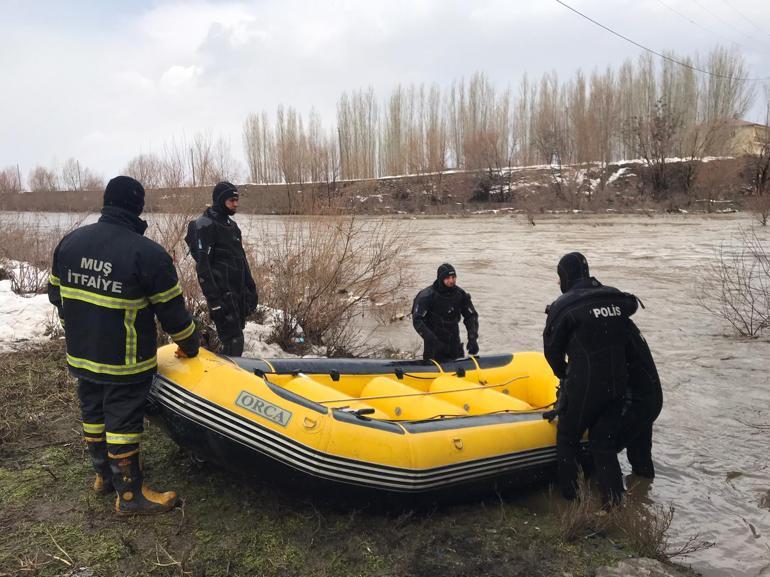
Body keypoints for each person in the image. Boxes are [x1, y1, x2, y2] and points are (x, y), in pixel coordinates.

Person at [48, 175, 199, 515]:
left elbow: (56, 294)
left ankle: (103, 477)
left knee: (93, 412)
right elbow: (173, 314)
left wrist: (81, 325)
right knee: (122, 421)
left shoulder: (70, 243)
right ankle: (130, 495)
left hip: (81, 354)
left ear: (106, 202)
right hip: (124, 360)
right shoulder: (147, 254)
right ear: (138, 207)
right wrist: (190, 344)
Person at [543, 252, 638, 507]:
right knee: (603, 443)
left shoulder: (565, 305)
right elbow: (632, 307)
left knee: (567, 439)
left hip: (584, 385)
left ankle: (571, 502)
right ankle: (615, 505)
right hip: (617, 383)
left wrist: (563, 374)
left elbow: (551, 351)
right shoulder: (614, 296)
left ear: (565, 275)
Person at [185, 181, 257, 357]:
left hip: (237, 293)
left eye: (237, 200)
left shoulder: (233, 227)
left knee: (236, 338)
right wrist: (214, 301)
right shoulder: (204, 225)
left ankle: (224, 370)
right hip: (221, 295)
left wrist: (251, 288)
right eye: (231, 200)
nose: (235, 204)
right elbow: (203, 266)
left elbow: (242, 260)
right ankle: (227, 380)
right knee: (234, 341)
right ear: (220, 200)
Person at [619, 319, 663, 479]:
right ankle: (642, 497)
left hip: (637, 400)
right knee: (641, 456)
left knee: (603, 447)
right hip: (650, 396)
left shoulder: (607, 327)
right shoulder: (624, 321)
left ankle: (612, 499)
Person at [412, 263, 479, 363]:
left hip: (454, 343)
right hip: (434, 346)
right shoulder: (426, 296)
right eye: (447, 278)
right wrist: (430, 338)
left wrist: (472, 337)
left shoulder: (460, 294)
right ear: (440, 278)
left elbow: (471, 316)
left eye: (453, 277)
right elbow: (417, 320)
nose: (451, 280)